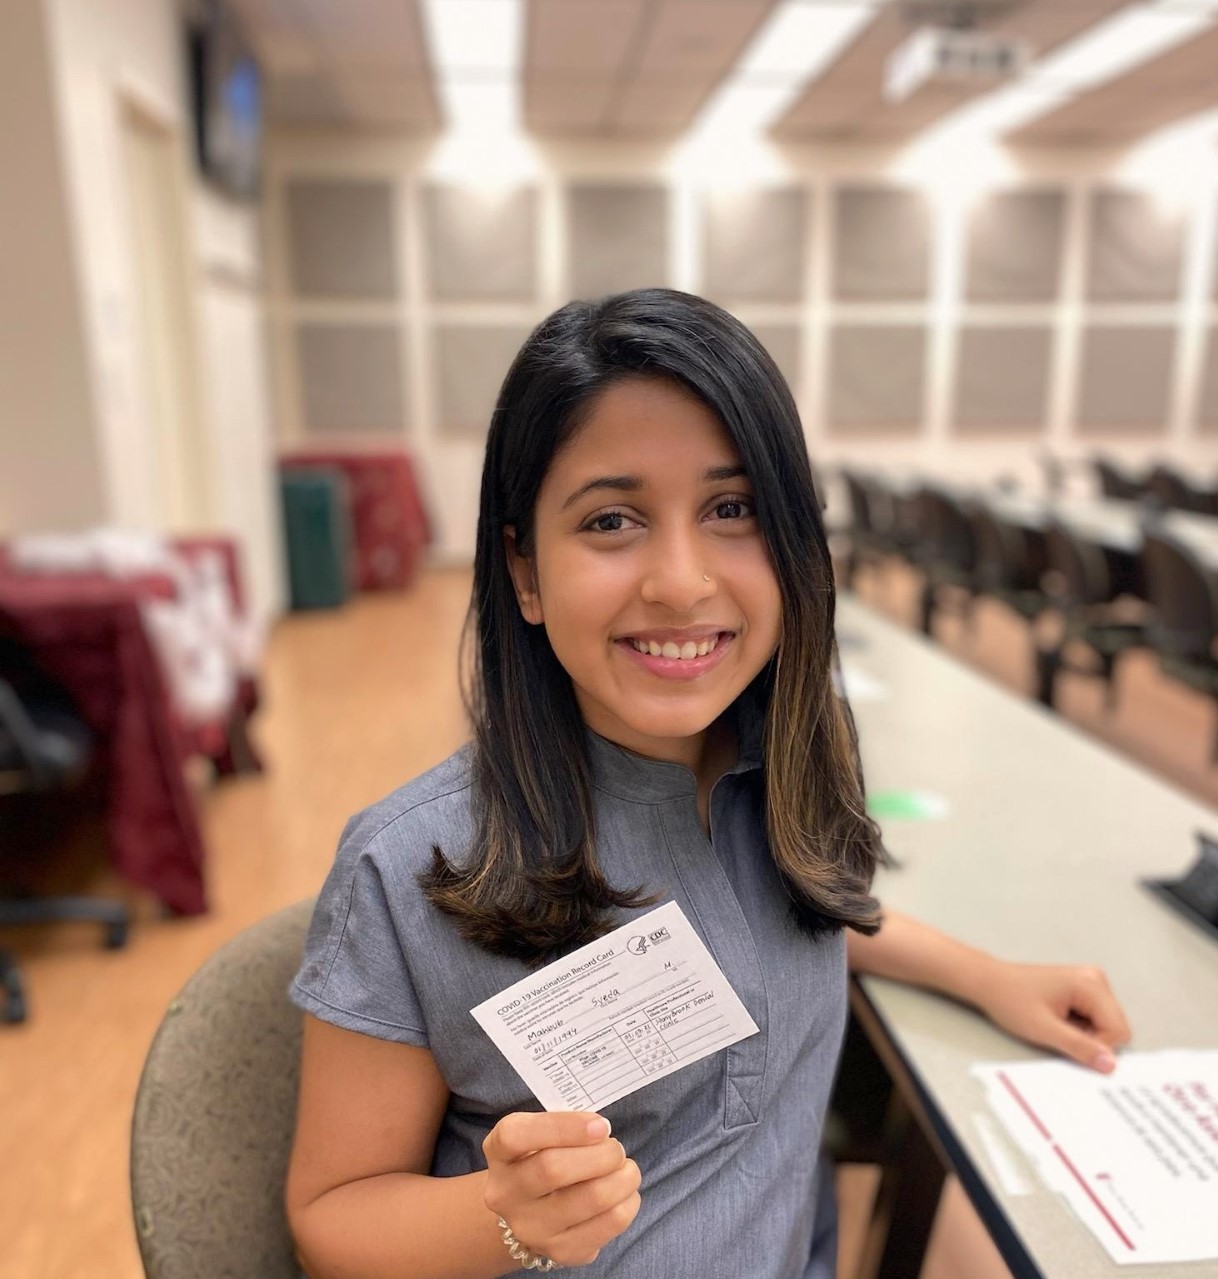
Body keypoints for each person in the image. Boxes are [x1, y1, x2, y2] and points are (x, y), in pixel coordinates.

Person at [285, 289, 1131, 1278]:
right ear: (523, 569)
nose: (681, 581)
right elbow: (329, 1215)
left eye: (730, 509)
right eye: (610, 520)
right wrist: (500, 1214)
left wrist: (986, 976)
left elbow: (791, 915)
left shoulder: (767, 773)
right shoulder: (410, 867)